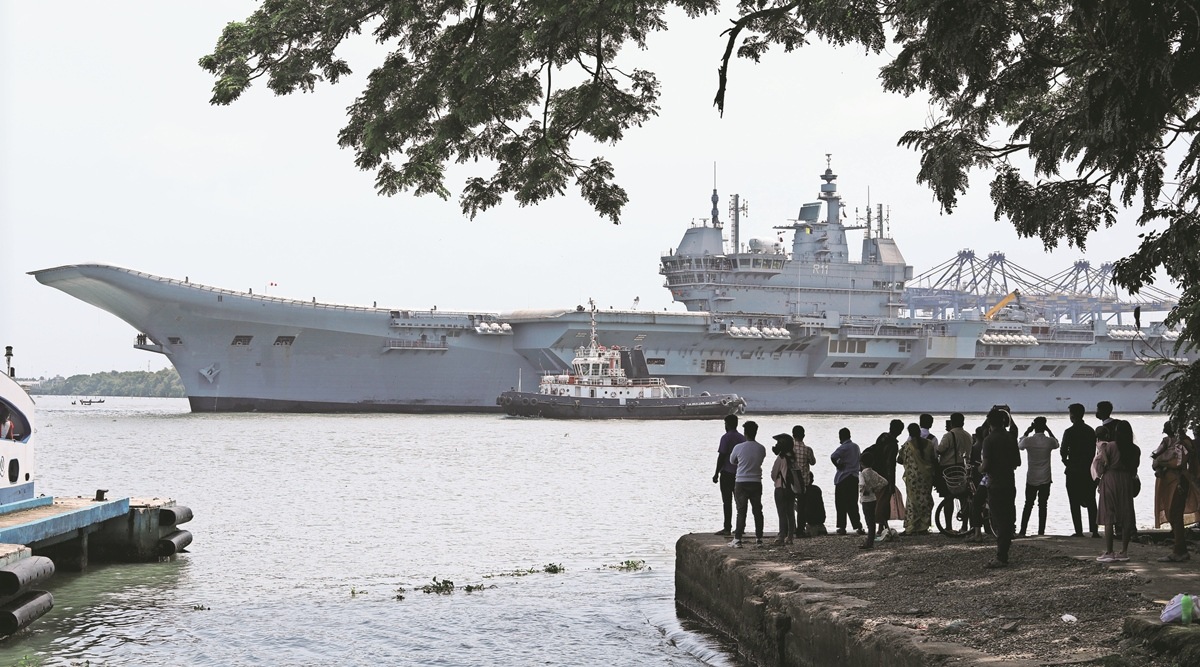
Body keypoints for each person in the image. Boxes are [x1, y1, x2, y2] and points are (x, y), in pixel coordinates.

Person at [1094, 420, 1140, 563]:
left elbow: (1100, 468)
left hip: (1110, 479)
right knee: (1126, 515)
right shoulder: (1135, 449)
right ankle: (1124, 551)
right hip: (1126, 481)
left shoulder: (1109, 446)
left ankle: (1109, 551)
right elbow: (1135, 468)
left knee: (1109, 515)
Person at [1152, 422, 1199, 562]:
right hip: (1171, 481)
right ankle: (1179, 547)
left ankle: (1180, 550)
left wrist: (1162, 463)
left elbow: (1179, 462)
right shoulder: (1172, 442)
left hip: (1179, 482)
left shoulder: (1183, 443)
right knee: (1173, 513)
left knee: (1175, 513)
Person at [981, 408, 1021, 568]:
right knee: (1008, 518)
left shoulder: (989, 440)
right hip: (1009, 482)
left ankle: (1001, 556)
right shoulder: (1011, 438)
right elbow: (1017, 462)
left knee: (998, 520)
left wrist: (980, 469)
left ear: (990, 423)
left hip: (995, 483)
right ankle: (1004, 551)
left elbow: (985, 466)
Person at [860, 419, 903, 548]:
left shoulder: (882, 437)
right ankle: (880, 527)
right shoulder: (892, 445)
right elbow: (891, 465)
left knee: (878, 501)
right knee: (883, 502)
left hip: (874, 471)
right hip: (884, 475)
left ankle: (881, 526)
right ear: (899, 431)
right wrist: (891, 483)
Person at [1061, 403, 1099, 537]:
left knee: (1074, 502)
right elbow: (1093, 452)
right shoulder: (1090, 431)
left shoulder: (1069, 432)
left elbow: (1062, 452)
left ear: (1072, 415)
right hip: (1088, 471)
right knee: (1091, 501)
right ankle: (1094, 531)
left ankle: (1079, 531)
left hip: (1073, 472)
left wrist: (1068, 464)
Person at [1018, 416, 1059, 537]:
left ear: (1034, 427)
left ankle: (1022, 531)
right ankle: (1041, 532)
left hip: (1031, 477)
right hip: (1045, 477)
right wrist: (1049, 430)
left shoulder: (1028, 440)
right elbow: (1056, 443)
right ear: (1045, 427)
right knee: (1043, 505)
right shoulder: (1048, 441)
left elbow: (1019, 445)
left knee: (1028, 504)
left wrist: (1027, 431)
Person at [729, 421, 767, 548]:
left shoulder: (738, 447)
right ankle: (759, 538)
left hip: (741, 482)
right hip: (756, 482)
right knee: (757, 511)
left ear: (745, 433)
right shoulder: (761, 448)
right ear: (756, 432)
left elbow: (732, 460)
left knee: (741, 511)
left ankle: (737, 539)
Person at [936, 413, 972, 531]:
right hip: (963, 468)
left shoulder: (948, 435)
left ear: (951, 422)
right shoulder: (968, 435)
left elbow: (940, 450)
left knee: (948, 497)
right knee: (964, 498)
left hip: (949, 469)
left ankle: (948, 526)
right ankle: (964, 526)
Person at [899, 422, 935, 534]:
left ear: (909, 433)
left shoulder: (907, 446)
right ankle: (923, 527)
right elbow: (933, 459)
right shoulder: (929, 444)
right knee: (925, 499)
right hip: (926, 477)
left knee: (912, 501)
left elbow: (899, 460)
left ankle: (911, 526)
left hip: (913, 478)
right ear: (919, 432)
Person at [712, 414, 745, 536]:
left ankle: (727, 528)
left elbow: (721, 456)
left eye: (725, 424)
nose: (725, 426)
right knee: (740, 502)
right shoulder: (742, 438)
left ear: (728, 425)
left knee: (727, 502)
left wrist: (716, 473)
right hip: (739, 475)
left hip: (726, 473)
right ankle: (740, 527)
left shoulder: (725, 438)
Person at [830, 427, 865, 535]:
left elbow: (833, 456)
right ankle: (858, 526)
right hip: (854, 477)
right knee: (852, 503)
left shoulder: (843, 447)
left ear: (841, 437)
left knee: (841, 504)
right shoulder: (856, 447)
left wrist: (838, 465)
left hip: (843, 477)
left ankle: (842, 527)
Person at [769, 434, 798, 545]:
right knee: (790, 513)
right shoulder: (793, 458)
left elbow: (773, 474)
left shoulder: (781, 458)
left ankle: (781, 536)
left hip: (780, 488)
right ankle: (790, 537)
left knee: (781, 513)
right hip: (791, 489)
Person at [791, 425, 817, 536]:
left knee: (789, 506)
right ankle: (800, 530)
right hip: (804, 483)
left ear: (793, 435)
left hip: (791, 482)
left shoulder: (790, 449)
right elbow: (813, 462)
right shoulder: (808, 450)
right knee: (801, 508)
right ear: (803, 435)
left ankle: (790, 529)